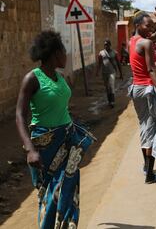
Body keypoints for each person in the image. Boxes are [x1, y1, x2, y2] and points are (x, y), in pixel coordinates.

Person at [15, 30, 96, 229]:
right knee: (51, 193)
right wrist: (30, 149)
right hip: (45, 145)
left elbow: (61, 107)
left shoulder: (61, 78)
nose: (66, 56)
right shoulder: (32, 79)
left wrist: (73, 122)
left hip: (66, 140)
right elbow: (19, 115)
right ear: (54, 53)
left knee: (68, 189)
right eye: (63, 51)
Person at [129, 6, 156, 184]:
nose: (151, 28)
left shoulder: (135, 40)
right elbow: (151, 70)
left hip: (136, 88)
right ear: (137, 25)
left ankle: (146, 167)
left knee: (145, 126)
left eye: (152, 25)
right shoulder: (146, 43)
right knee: (152, 129)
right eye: (148, 25)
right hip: (147, 89)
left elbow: (155, 37)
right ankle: (150, 174)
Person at [96, 39, 123, 108]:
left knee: (111, 86)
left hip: (112, 72)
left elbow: (118, 63)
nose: (106, 46)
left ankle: (112, 101)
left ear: (110, 45)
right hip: (104, 73)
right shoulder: (101, 53)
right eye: (105, 45)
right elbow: (99, 63)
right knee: (107, 87)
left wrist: (121, 73)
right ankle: (109, 101)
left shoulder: (114, 53)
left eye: (107, 44)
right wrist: (97, 71)